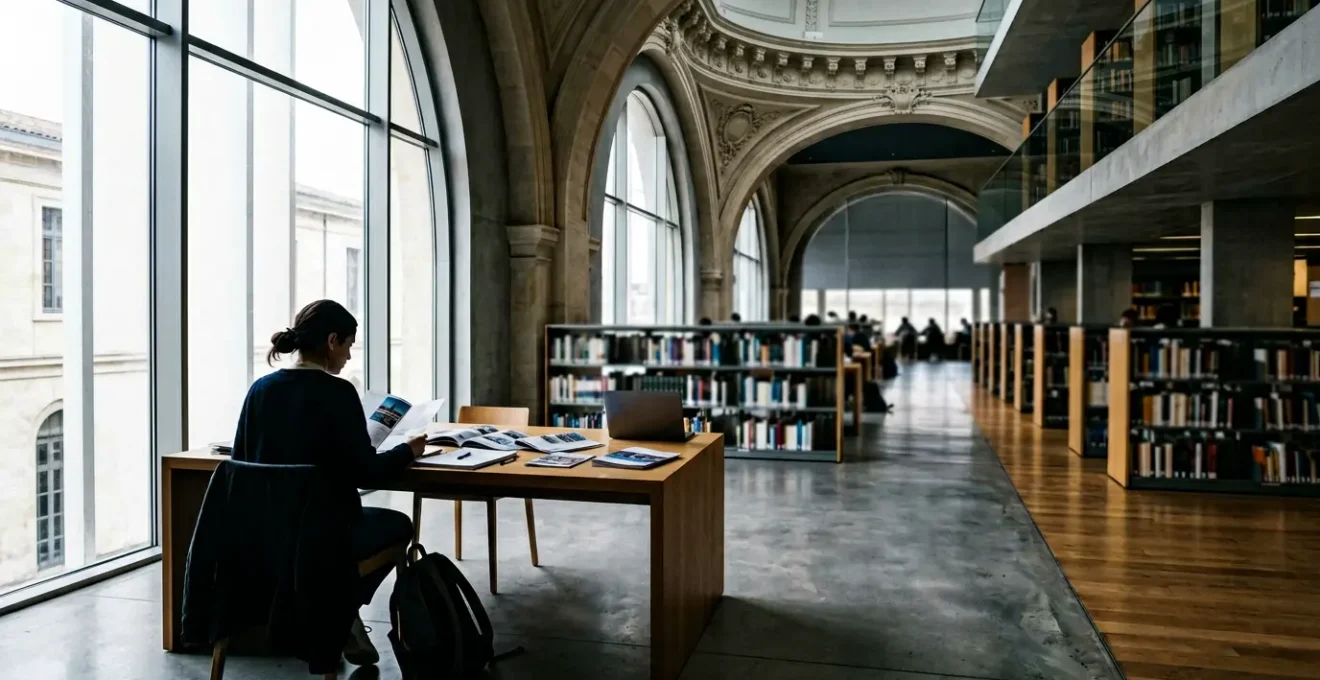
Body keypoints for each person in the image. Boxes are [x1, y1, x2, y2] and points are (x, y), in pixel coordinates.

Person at [231, 299, 426, 667]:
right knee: (399, 525)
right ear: (333, 340)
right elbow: (366, 473)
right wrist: (407, 451)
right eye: (350, 345)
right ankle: (342, 612)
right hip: (323, 542)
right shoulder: (337, 392)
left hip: (262, 535)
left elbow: (241, 461)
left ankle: (335, 613)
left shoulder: (260, 390)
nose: (350, 357)